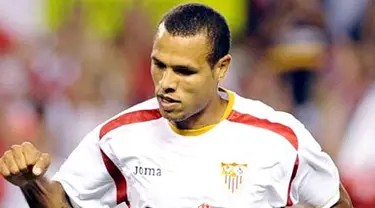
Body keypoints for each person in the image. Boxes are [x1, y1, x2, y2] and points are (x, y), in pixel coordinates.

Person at [0, 3, 352, 208]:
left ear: (221, 69)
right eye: (159, 65)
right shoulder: (120, 136)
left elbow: (333, 201)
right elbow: (64, 203)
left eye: (184, 71)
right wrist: (30, 183)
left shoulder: (279, 138)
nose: (167, 82)